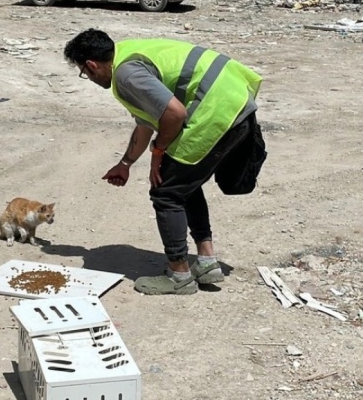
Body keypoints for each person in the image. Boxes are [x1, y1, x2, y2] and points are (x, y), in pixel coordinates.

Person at [63, 28, 267, 296]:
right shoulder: (129, 53)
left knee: (166, 192)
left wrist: (158, 152)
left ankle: (179, 275)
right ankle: (206, 263)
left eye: (84, 73)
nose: (88, 78)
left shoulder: (125, 75)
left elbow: (174, 113)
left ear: (91, 65)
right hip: (236, 102)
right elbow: (147, 122)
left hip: (215, 111)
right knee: (183, 184)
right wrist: (125, 164)